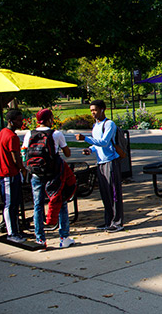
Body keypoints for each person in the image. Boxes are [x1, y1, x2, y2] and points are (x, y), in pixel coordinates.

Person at [22, 109, 76, 249]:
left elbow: (24, 151)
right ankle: (64, 237)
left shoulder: (29, 134)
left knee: (38, 206)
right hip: (54, 175)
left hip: (36, 174)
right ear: (50, 119)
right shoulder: (56, 134)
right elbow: (67, 153)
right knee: (60, 202)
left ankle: (40, 239)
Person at [76, 100, 124, 232]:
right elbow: (97, 144)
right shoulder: (95, 125)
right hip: (100, 162)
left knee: (114, 193)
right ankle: (108, 221)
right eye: (91, 110)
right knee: (105, 193)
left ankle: (117, 222)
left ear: (103, 109)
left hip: (111, 161)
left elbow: (104, 142)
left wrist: (85, 138)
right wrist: (90, 149)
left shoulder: (109, 124)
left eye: (95, 110)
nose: (93, 113)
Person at [0, 109, 27, 243]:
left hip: (5, 172)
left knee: (14, 203)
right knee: (10, 204)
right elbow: (15, 158)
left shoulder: (2, 133)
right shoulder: (12, 137)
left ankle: (16, 229)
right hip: (8, 173)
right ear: (10, 121)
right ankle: (11, 233)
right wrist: (23, 169)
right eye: (18, 120)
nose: (21, 122)